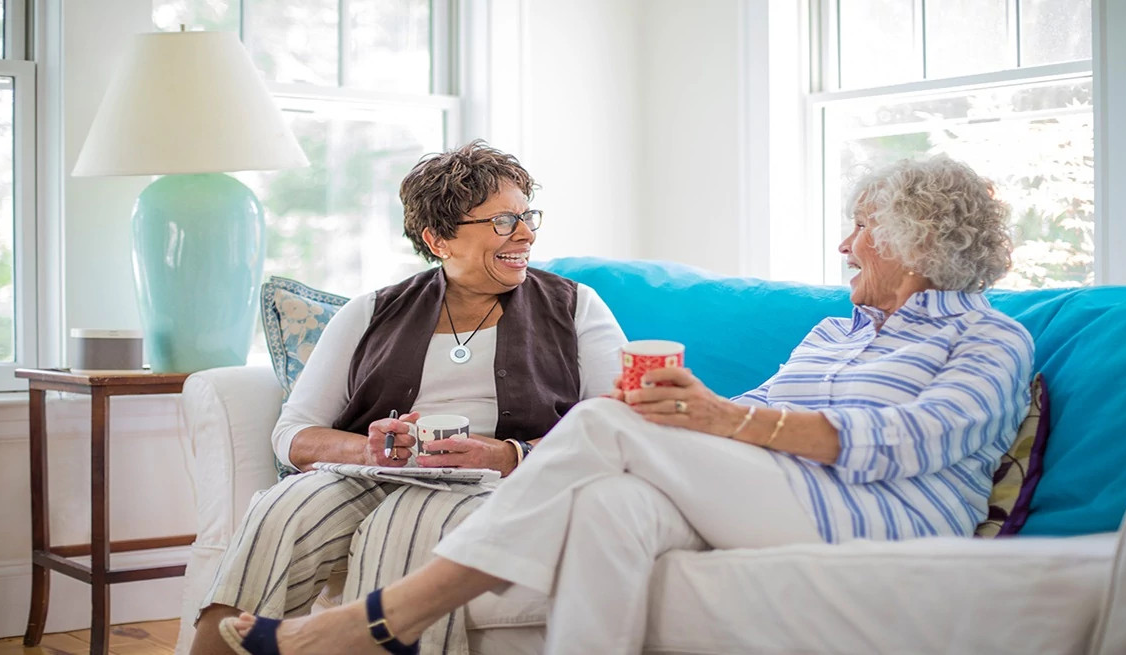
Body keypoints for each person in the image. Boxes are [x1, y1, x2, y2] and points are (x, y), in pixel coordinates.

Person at [219, 154, 1035, 655]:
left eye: (861, 229)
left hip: (872, 516)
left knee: (604, 421)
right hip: (783, 491)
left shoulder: (992, 341)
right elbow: (749, 412)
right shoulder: (836, 332)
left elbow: (901, 444)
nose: (844, 246)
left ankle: (386, 618)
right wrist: (695, 409)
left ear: (916, 240)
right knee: (615, 502)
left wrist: (723, 421)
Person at [189, 140, 627, 654]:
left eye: (527, 216)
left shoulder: (575, 307)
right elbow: (293, 434)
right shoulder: (371, 311)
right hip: (373, 473)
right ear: (439, 239)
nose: (526, 233)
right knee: (284, 506)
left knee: (406, 520)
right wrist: (366, 449)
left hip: (501, 483)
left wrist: (509, 453)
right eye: (503, 222)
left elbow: (618, 425)